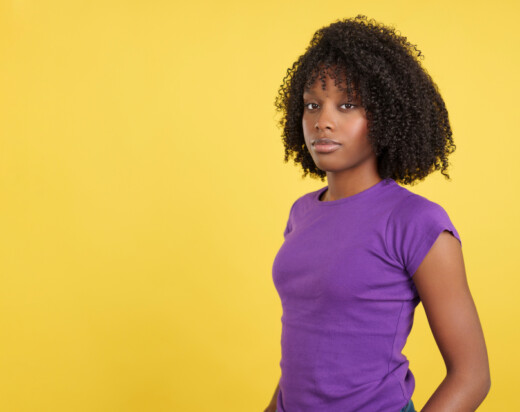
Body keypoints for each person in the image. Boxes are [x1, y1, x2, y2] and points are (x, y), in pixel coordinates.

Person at [264, 15, 490, 412]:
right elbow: (306, 356)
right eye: (312, 105)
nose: (322, 121)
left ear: (385, 118)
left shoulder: (417, 224)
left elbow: (471, 376)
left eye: (347, 105)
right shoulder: (301, 213)